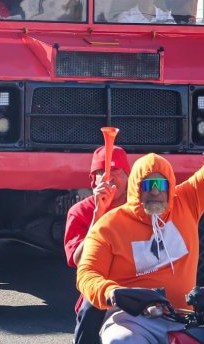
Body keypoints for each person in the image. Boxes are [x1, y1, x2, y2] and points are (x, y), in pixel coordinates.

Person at [76, 71, 204, 344]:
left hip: (188, 317)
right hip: (132, 319)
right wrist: (110, 291)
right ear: (136, 188)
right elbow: (86, 272)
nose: (154, 193)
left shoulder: (186, 202)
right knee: (121, 342)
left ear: (171, 186)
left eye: (161, 186)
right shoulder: (110, 225)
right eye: (147, 186)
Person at [64, 145, 133, 344]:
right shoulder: (79, 212)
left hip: (140, 282)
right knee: (90, 309)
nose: (108, 178)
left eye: (115, 171)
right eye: (101, 172)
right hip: (101, 289)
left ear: (128, 177)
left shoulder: (140, 209)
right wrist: (98, 215)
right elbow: (77, 260)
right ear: (92, 180)